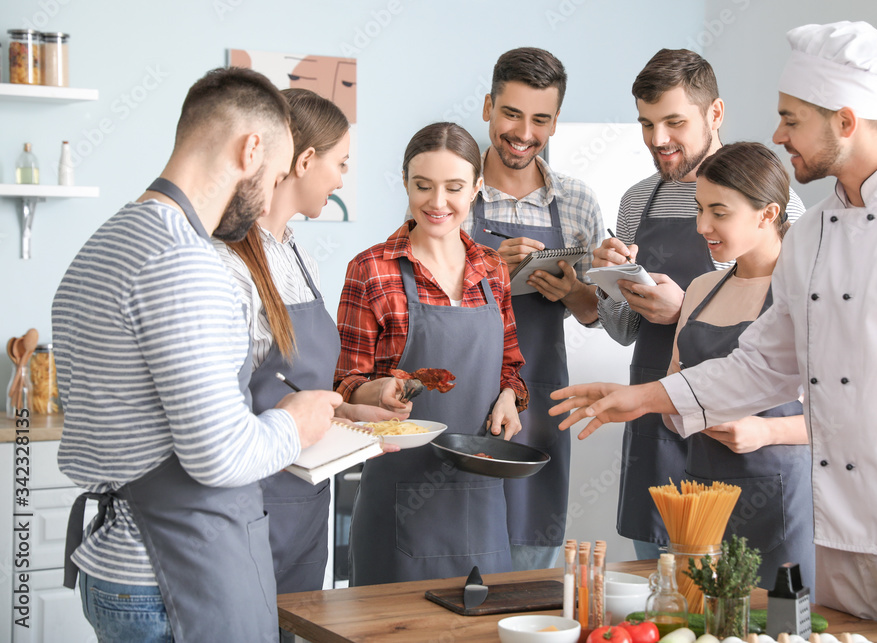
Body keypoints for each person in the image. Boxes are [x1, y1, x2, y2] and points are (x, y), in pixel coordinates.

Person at [551, 21, 877, 643]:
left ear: (845, 121)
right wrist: (645, 396)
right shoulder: (812, 234)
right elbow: (763, 363)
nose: (777, 134)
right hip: (835, 539)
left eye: (791, 119)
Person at [53, 68, 342, 643]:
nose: (269, 196)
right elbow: (220, 458)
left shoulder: (104, 244)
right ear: (250, 149)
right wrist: (297, 421)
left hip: (121, 564)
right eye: (277, 175)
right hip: (172, 574)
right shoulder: (184, 262)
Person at [591, 48, 806, 560]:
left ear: (715, 114)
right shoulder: (635, 200)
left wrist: (682, 306)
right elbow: (620, 329)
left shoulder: (781, 202)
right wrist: (609, 284)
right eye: (646, 124)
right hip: (657, 403)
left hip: (753, 428)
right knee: (664, 583)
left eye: (674, 122)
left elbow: (799, 347)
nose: (658, 140)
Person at [212, 88, 399, 634]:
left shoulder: (294, 249)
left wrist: (349, 416)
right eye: (340, 163)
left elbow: (299, 384)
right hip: (252, 502)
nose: (342, 179)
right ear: (304, 160)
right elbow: (228, 404)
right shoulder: (227, 261)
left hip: (307, 499)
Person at [336, 122, 529, 586]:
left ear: (478, 189)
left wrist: (510, 398)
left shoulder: (493, 270)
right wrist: (377, 390)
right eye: (422, 186)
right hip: (400, 492)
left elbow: (510, 366)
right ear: (405, 182)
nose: (437, 202)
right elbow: (343, 384)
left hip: (480, 495)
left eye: (454, 188)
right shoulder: (372, 270)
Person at [469, 47, 603, 571]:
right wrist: (486, 269)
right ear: (488, 107)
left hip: (540, 404)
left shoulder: (577, 203)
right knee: (457, 555)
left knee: (530, 567)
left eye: (540, 119)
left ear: (555, 122)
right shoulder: (452, 192)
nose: (523, 131)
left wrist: (572, 292)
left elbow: (600, 315)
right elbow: (411, 301)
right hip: (463, 397)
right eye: (511, 113)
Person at [666, 141, 813, 593]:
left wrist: (765, 432)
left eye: (718, 212)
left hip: (781, 495)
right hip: (702, 491)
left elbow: (849, 412)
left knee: (779, 625)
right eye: (698, 209)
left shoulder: (809, 288)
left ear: (768, 214)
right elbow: (674, 386)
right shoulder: (701, 287)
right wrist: (676, 415)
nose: (702, 226)